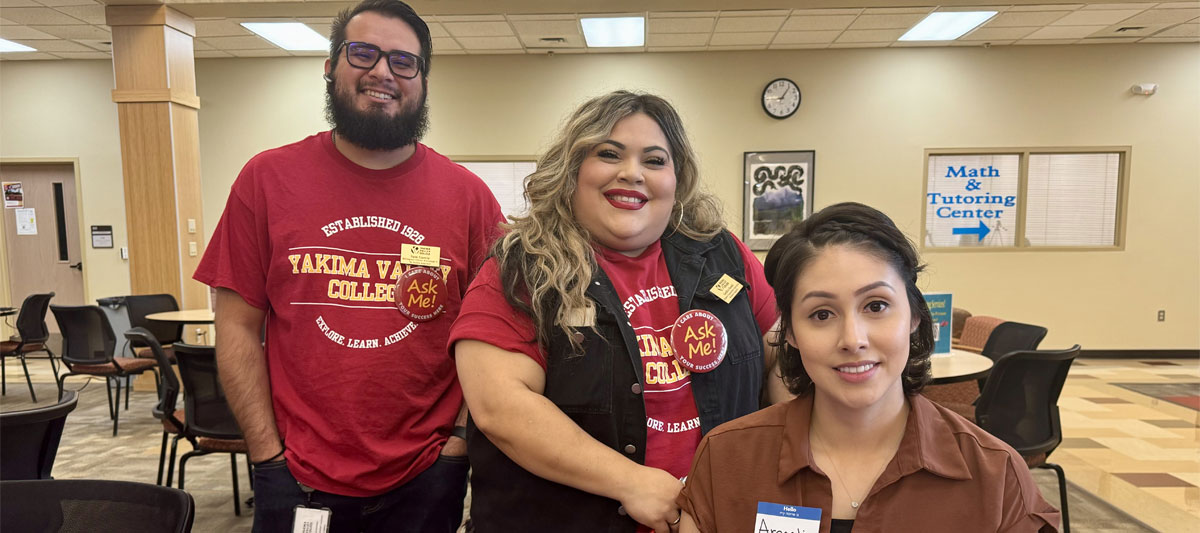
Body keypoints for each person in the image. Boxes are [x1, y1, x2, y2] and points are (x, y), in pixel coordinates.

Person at [193, 0, 504, 531]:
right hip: (296, 473)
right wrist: (267, 455)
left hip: (428, 474)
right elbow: (238, 328)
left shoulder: (469, 198)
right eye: (363, 53)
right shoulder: (266, 180)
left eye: (403, 62)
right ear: (331, 65)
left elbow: (495, 339)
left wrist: (457, 443)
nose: (382, 72)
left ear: (423, 80)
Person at [449, 90, 790, 533]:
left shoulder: (723, 252)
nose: (632, 174)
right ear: (573, 171)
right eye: (609, 154)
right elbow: (501, 407)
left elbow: (781, 356)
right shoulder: (521, 269)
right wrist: (631, 483)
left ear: (676, 176)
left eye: (654, 160)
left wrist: (792, 457)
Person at [675, 202, 1061, 533]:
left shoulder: (994, 475)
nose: (853, 338)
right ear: (790, 332)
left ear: (913, 315)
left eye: (876, 306)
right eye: (821, 314)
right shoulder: (728, 460)